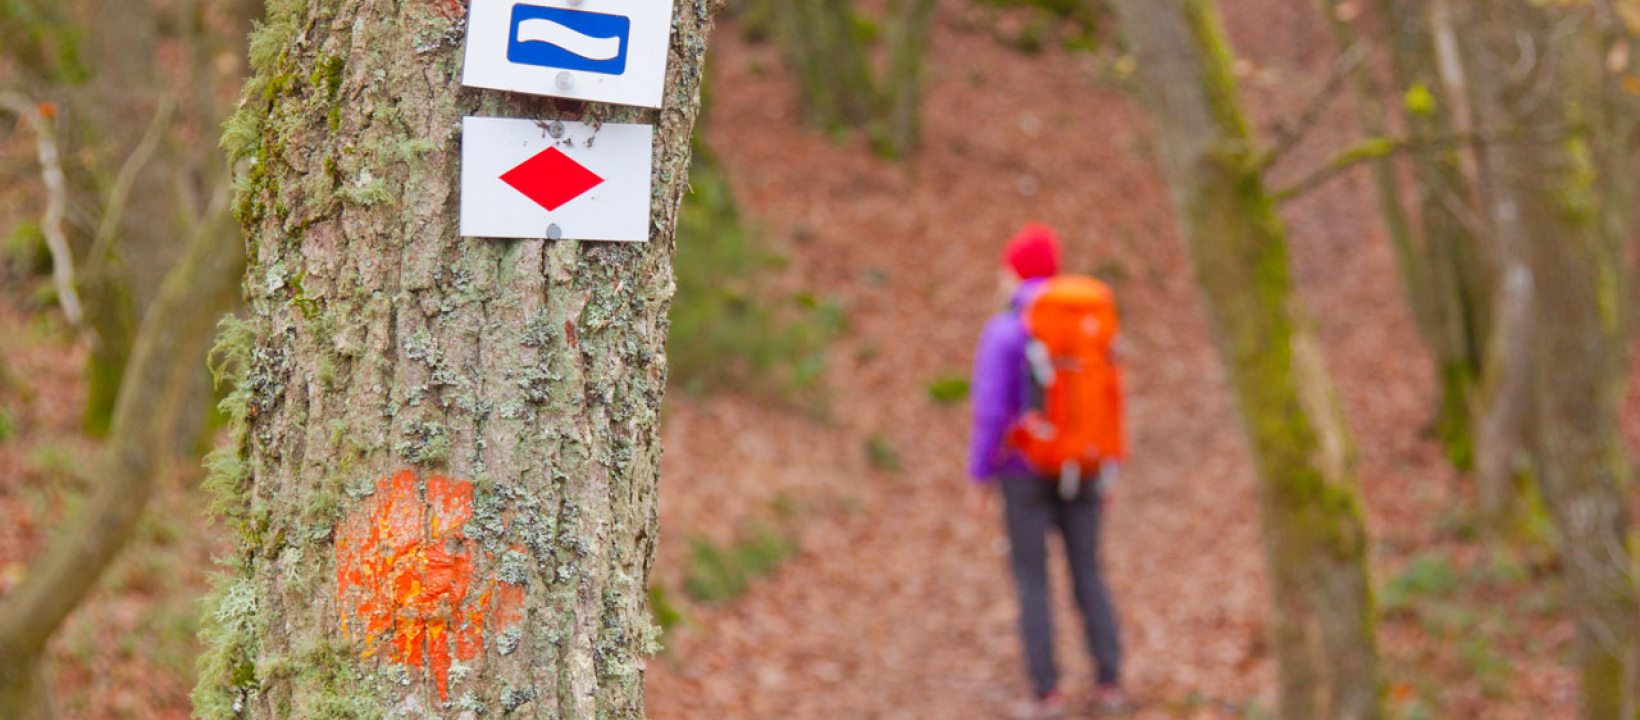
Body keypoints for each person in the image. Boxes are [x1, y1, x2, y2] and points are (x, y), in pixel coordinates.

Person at [966, 223, 1126, 718]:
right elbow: (1110, 397)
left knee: (1032, 577)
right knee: (1088, 571)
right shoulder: (1086, 323)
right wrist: (1109, 468)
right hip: (1085, 464)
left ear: (1015, 271)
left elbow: (991, 412)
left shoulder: (1006, 329)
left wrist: (979, 475)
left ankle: (1047, 692)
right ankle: (1109, 682)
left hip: (1023, 470)